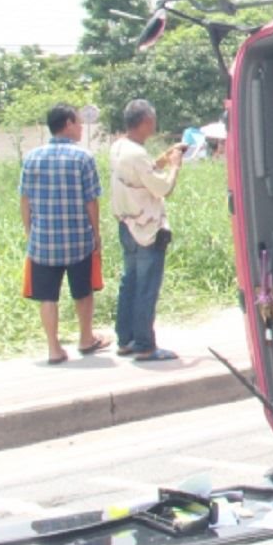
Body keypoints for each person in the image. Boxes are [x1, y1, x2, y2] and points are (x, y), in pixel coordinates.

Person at [18, 103, 108, 364]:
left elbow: (25, 200)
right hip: (78, 239)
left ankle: (54, 348)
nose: (81, 128)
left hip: (43, 241)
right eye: (78, 123)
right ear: (67, 123)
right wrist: (96, 234)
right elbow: (91, 201)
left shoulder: (32, 157)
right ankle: (85, 338)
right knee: (83, 291)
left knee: (47, 297)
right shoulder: (83, 158)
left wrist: (29, 231)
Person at [110, 99, 185, 362]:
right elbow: (163, 189)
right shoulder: (137, 154)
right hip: (146, 228)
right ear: (144, 122)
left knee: (129, 282)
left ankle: (125, 338)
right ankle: (144, 344)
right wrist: (175, 164)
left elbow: (141, 175)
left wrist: (164, 158)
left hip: (126, 225)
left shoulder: (120, 147)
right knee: (146, 286)